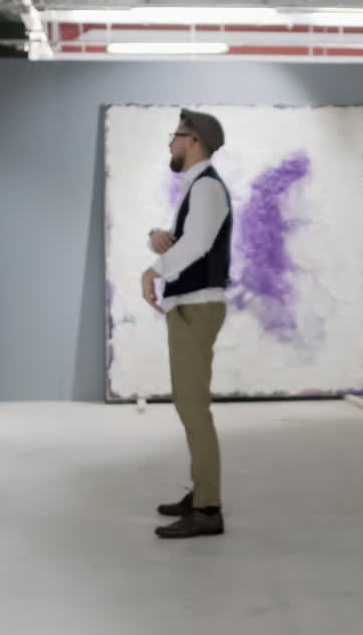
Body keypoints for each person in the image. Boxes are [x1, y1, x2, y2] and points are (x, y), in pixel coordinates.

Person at [142, 109, 233, 539]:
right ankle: (201, 493)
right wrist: (159, 236)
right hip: (189, 306)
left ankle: (208, 509)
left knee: (194, 409)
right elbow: (189, 239)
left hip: (197, 308)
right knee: (189, 405)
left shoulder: (209, 189)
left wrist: (152, 271)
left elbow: (196, 244)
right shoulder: (198, 189)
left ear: (193, 141)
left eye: (176, 137)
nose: (171, 144)